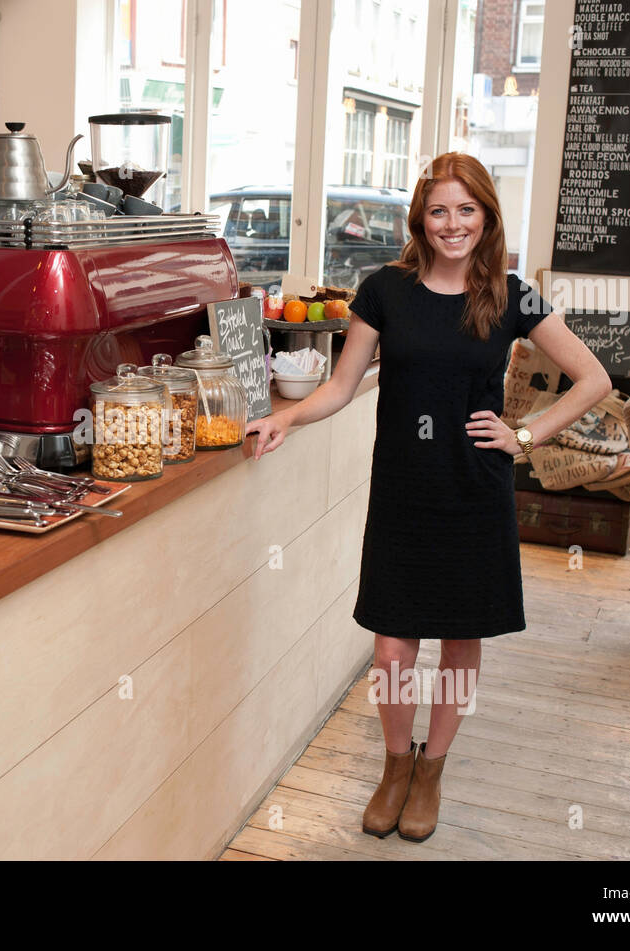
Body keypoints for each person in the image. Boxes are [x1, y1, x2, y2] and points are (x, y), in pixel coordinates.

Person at [246, 152, 611, 843]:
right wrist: (285, 416)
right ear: (421, 217)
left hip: (474, 490)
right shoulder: (384, 288)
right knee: (392, 652)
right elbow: (340, 384)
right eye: (440, 210)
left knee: (459, 646)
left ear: (486, 217)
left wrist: (526, 435)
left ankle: (432, 769)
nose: (453, 224)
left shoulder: (511, 295)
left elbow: (592, 378)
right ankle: (394, 764)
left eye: (467, 210)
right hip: (404, 493)